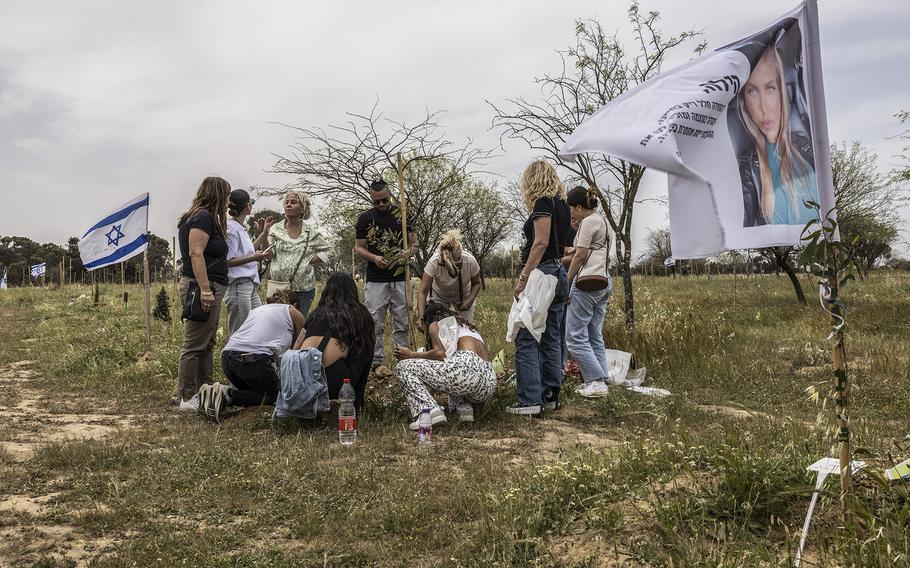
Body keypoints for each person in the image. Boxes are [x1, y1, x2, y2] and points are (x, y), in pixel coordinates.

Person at [508, 160, 572, 415]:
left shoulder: (543, 203)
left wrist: (523, 276)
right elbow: (566, 246)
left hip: (542, 274)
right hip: (559, 274)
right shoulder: (564, 207)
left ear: (532, 180)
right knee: (551, 336)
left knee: (527, 334)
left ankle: (528, 401)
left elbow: (541, 241)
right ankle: (549, 396)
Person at [737, 44, 817, 227]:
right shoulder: (747, 169)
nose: (763, 107)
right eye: (752, 91)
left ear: (783, 91)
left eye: (770, 88)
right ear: (744, 101)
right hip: (778, 255)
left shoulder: (810, 150)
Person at [201, 289, 307, 422]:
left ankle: (218, 395)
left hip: (228, 358)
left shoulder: (258, 310)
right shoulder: (293, 311)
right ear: (296, 304)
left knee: (256, 396)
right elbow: (293, 355)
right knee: (276, 398)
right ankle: (226, 394)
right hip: (251, 360)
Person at [176, 176, 232, 412]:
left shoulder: (202, 217)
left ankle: (204, 389)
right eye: (227, 195)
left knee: (206, 342)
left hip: (207, 285)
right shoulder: (203, 217)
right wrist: (206, 290)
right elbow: (195, 253)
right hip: (202, 286)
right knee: (194, 343)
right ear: (218, 194)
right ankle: (187, 396)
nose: (229, 201)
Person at [395, 302, 496, 430]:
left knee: (404, 367)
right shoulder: (466, 326)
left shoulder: (435, 323)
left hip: (467, 367)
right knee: (452, 365)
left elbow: (439, 353)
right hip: (489, 380)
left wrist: (411, 354)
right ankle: (464, 408)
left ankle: (429, 411)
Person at [354, 179, 418, 370]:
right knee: (375, 323)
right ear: (371, 199)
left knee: (403, 321)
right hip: (376, 279)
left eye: (384, 200)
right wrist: (374, 258)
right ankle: (376, 363)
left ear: (390, 196)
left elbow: (414, 244)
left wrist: (407, 253)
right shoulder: (365, 219)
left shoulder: (404, 215)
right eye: (377, 202)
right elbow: (358, 248)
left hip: (401, 278)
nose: (381, 205)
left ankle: (404, 362)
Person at [297, 272, 375, 410]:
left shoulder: (316, 314)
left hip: (301, 380)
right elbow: (365, 350)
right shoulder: (360, 313)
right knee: (366, 345)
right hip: (335, 384)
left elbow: (297, 346)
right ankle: (356, 401)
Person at [562, 186, 612, 398]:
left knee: (573, 337)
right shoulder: (603, 221)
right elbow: (595, 248)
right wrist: (574, 248)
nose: (570, 214)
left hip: (587, 283)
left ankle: (595, 380)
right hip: (605, 281)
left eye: (571, 209)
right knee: (594, 334)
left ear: (579, 207)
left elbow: (581, 256)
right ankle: (604, 375)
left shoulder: (588, 222)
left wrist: (567, 280)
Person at [266, 191, 329, 315]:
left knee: (299, 324)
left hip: (303, 289)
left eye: (293, 202)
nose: (288, 205)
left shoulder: (311, 232)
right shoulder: (275, 229)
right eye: (287, 202)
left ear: (303, 209)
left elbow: (328, 251)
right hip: (277, 288)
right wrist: (263, 235)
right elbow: (269, 253)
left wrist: (311, 260)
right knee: (277, 323)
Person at [224, 189, 272, 337]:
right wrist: (254, 258)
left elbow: (249, 251)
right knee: (241, 331)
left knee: (257, 325)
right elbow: (228, 261)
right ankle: (233, 359)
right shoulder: (231, 228)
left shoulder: (240, 227)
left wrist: (263, 235)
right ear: (247, 207)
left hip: (249, 286)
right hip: (239, 286)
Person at [417, 229, 481, 328]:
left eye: (456, 265)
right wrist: (421, 317)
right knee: (439, 328)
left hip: (464, 295)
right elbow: (423, 291)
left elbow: (476, 283)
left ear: (461, 258)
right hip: (439, 296)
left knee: (465, 327)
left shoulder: (470, 261)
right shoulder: (434, 262)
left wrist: (469, 301)